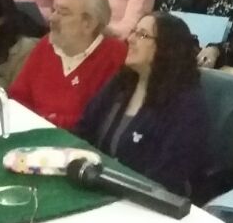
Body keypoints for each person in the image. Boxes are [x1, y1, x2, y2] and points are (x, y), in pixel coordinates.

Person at [74, 12, 210, 196]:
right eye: (133, 32)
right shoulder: (122, 82)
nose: (130, 39)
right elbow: (84, 129)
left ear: (166, 48)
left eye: (142, 35)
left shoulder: (187, 104)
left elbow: (167, 176)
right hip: (97, 183)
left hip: (143, 198)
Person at [9, 0, 126, 129]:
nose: (52, 18)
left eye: (63, 13)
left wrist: (46, 122)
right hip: (33, 133)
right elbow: (18, 96)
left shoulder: (116, 55)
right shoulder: (46, 45)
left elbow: (100, 120)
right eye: (54, 10)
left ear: (89, 24)